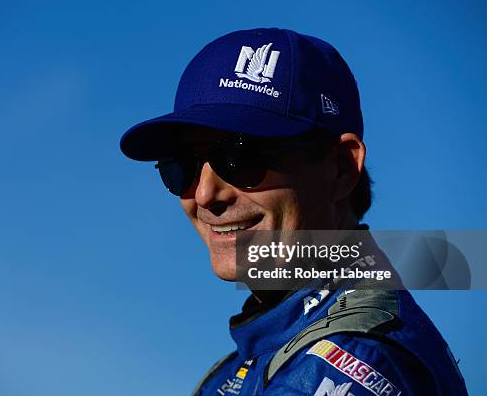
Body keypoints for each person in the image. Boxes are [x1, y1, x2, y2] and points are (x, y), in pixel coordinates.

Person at [120, 28, 467, 395]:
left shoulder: (352, 363)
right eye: (181, 166)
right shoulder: (241, 366)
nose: (205, 194)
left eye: (240, 157)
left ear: (342, 169)